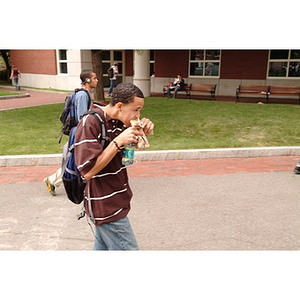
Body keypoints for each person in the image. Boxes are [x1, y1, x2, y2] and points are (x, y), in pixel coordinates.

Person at [74, 82, 154, 250]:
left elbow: (127, 157)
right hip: (106, 207)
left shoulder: (119, 121)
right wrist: (119, 141)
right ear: (119, 106)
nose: (139, 114)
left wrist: (142, 133)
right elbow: (86, 172)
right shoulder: (90, 123)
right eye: (136, 109)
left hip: (118, 199)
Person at [44, 69, 98, 196]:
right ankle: (52, 180)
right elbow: (82, 118)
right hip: (79, 133)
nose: (97, 80)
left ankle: (53, 180)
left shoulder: (83, 94)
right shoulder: (82, 95)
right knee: (73, 160)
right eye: (94, 78)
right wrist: (86, 134)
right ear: (87, 80)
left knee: (73, 159)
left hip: (78, 133)